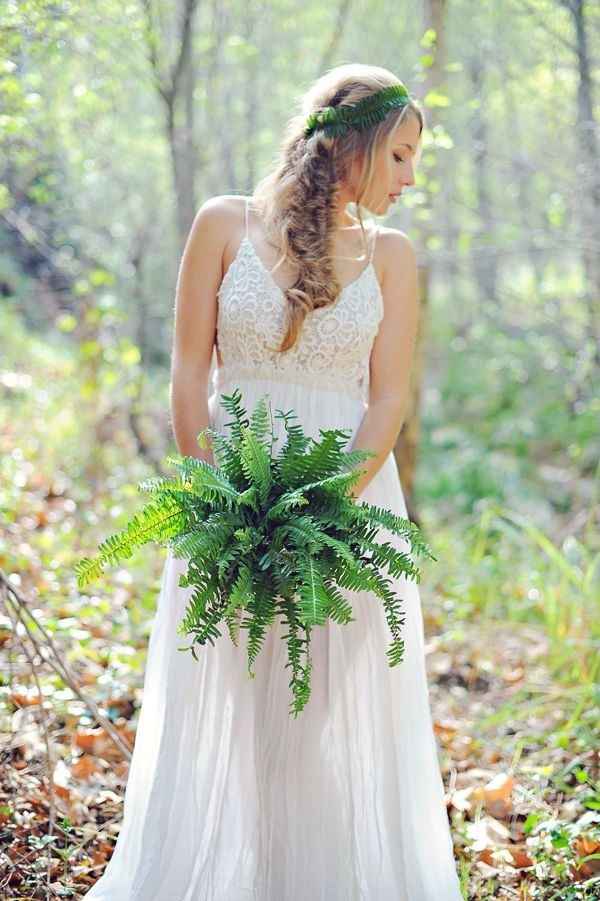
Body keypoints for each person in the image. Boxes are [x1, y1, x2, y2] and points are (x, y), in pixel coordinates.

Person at [85, 63, 464, 900]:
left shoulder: (394, 258)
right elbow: (188, 375)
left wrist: (326, 508)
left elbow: (389, 396)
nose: (409, 179)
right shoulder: (223, 225)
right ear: (357, 145)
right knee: (227, 698)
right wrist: (219, 498)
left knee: (312, 712)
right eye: (400, 156)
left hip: (343, 515)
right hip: (228, 495)